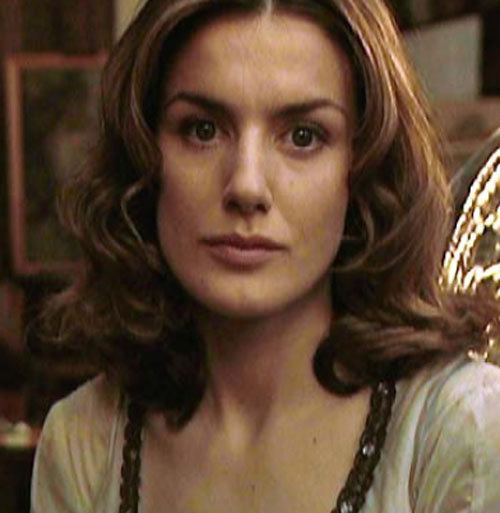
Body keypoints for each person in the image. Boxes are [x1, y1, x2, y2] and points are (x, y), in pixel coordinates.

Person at [30, 0, 500, 512]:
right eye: (202, 130)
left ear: (364, 169)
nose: (247, 186)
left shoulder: (460, 430)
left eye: (303, 136)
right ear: (143, 158)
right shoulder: (83, 442)